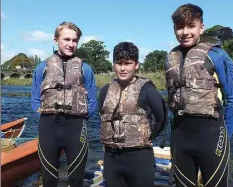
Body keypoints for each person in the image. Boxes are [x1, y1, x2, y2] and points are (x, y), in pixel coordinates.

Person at [165, 4, 233, 187]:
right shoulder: (171, 57)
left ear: (202, 26)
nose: (184, 32)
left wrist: (225, 136)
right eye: (179, 27)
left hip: (211, 137)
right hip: (180, 138)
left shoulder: (217, 55)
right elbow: (172, 100)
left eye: (190, 26)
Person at [31, 21, 98, 187]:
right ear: (56, 40)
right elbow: (34, 100)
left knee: (76, 178)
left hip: (76, 127)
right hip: (49, 126)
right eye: (66, 39)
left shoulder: (86, 69)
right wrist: (46, 117)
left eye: (75, 40)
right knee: (49, 178)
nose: (71, 44)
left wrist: (81, 118)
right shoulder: (42, 67)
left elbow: (93, 102)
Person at [98, 42, 167, 187]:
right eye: (119, 63)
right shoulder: (106, 90)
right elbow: (102, 115)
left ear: (136, 65)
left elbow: (162, 118)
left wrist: (148, 136)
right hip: (112, 158)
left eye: (128, 63)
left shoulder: (147, 90)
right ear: (114, 64)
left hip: (139, 159)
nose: (123, 68)